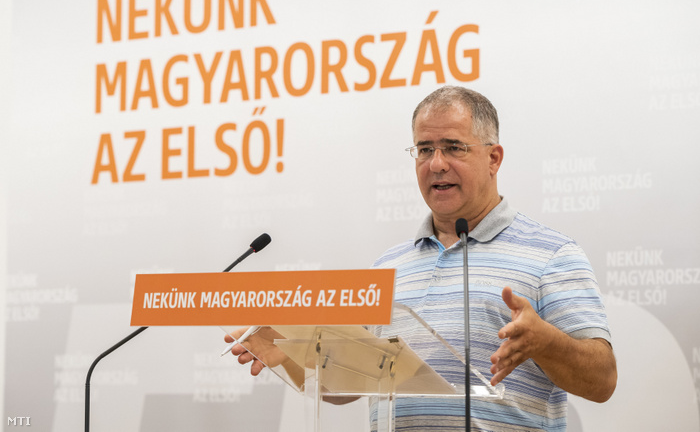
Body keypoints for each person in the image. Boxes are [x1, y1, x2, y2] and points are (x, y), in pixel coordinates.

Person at [227, 86, 617, 431]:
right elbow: (350, 385)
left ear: (494, 158)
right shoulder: (387, 267)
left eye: (453, 147)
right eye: (425, 149)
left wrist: (546, 342)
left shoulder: (552, 253)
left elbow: (602, 380)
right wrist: (293, 357)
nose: (436, 163)